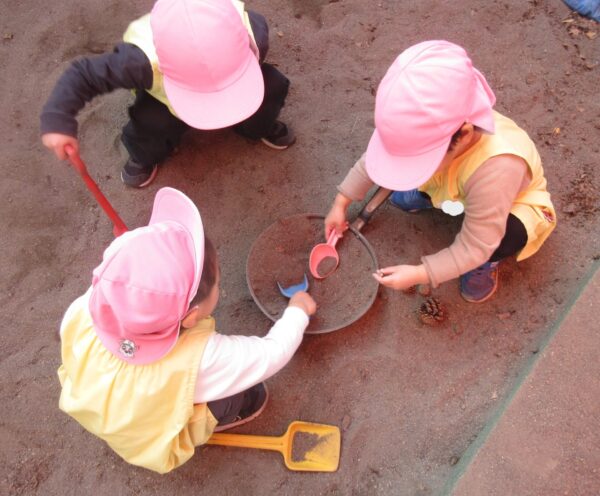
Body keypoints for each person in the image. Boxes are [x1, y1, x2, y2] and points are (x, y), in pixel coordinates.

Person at [58, 187, 316, 473]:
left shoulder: (89, 305)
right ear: (191, 317)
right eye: (217, 283)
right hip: (150, 436)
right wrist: (297, 311)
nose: (219, 285)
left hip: (98, 404)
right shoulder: (198, 359)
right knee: (234, 392)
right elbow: (271, 354)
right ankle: (228, 414)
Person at [325, 40, 556, 303]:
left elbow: (476, 245)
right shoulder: (433, 131)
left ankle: (488, 263)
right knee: (434, 177)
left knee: (504, 236)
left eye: (418, 159)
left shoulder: (498, 169)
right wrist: (341, 203)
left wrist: (420, 273)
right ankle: (429, 195)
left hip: (511, 204)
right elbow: (373, 160)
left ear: (464, 135)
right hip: (458, 183)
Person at [41, 0, 294, 188]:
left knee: (272, 86)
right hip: (164, 99)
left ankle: (257, 127)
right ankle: (144, 154)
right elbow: (85, 74)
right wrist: (57, 119)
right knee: (152, 120)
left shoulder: (254, 34)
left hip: (232, 77)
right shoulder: (139, 62)